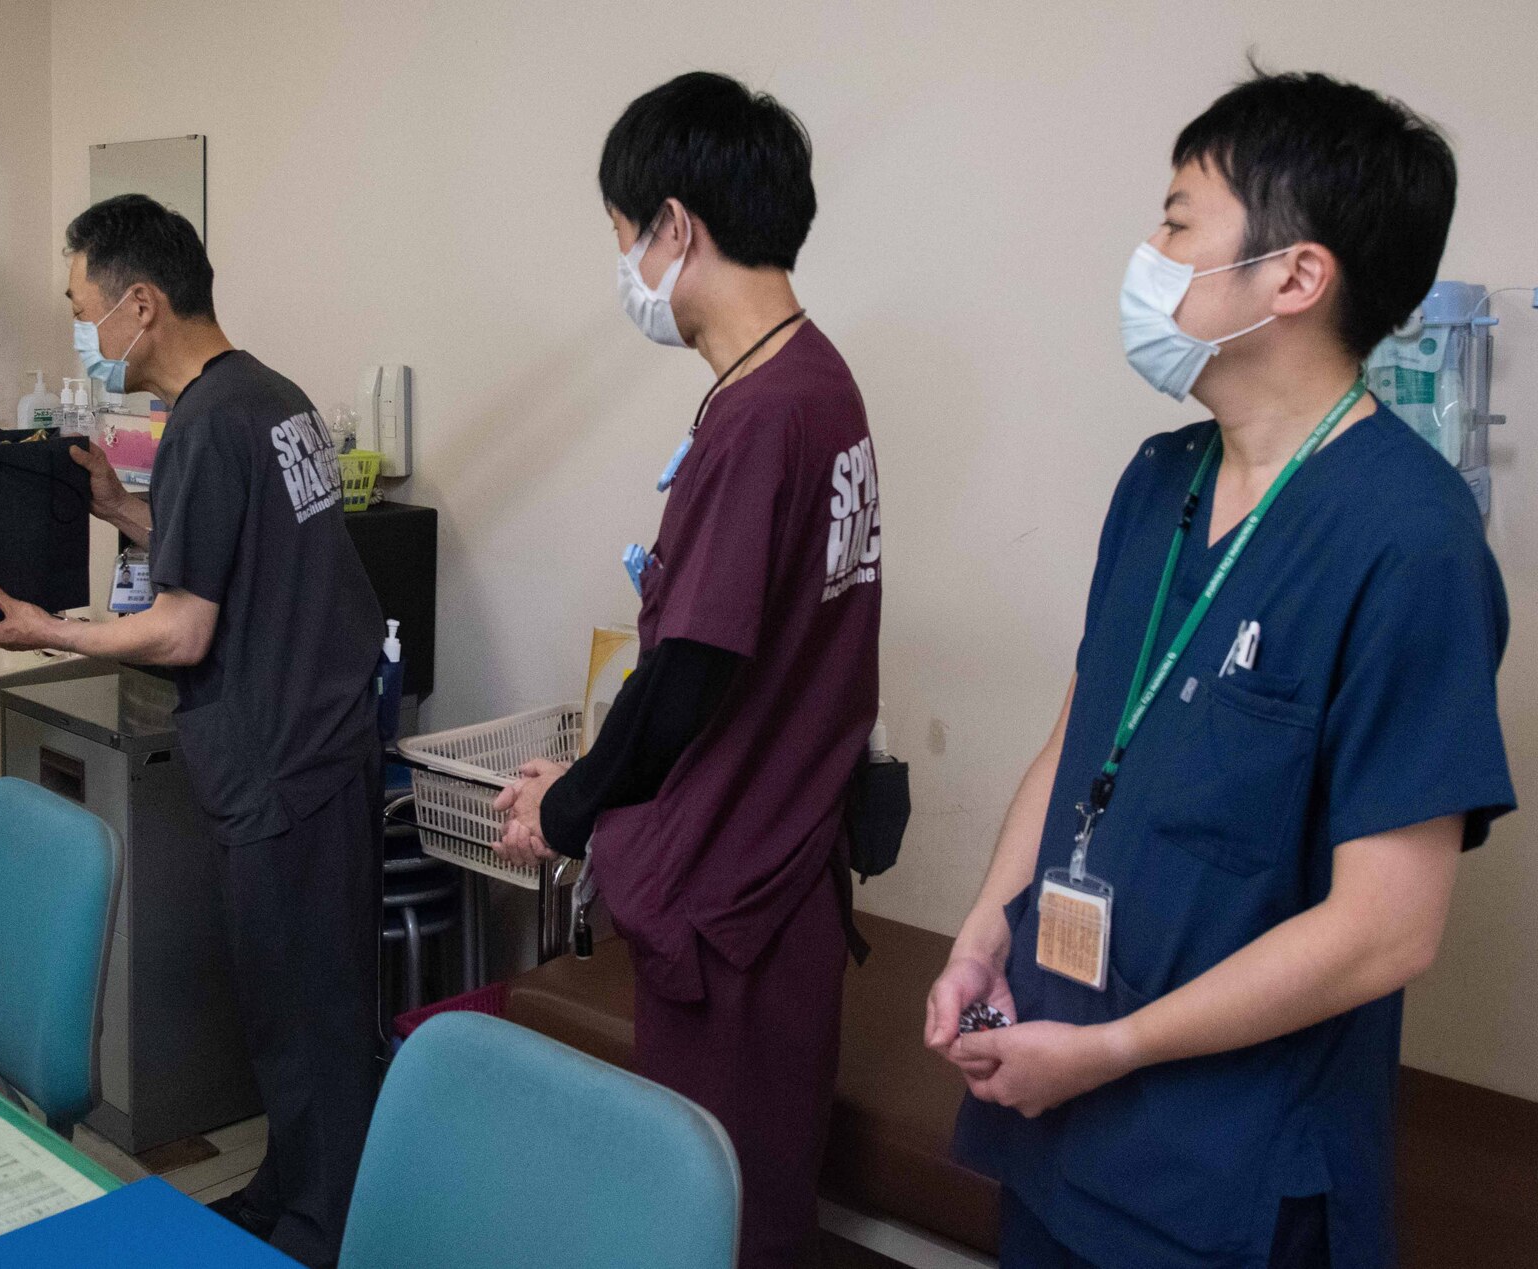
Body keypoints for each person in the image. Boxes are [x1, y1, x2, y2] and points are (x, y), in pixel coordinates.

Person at [926, 70, 1515, 1268]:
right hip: (1047, 1110)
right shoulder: (1159, 478)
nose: (1146, 252)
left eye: (1177, 219)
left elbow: (1384, 932)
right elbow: (1076, 740)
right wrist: (983, 933)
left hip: (1224, 1183)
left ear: (1295, 277)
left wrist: (1109, 1050)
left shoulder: (1408, 539)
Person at [493, 72, 882, 1269]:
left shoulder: (766, 415)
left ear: (675, 227)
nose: (626, 276)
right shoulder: (814, 382)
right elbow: (723, 669)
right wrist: (603, 774)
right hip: (775, 869)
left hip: (734, 905)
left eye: (623, 242)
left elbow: (691, 674)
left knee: (712, 1225)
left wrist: (567, 806)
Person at [0, 194, 384, 1269]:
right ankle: (290, 1190)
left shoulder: (207, 422)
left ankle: (319, 1233)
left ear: (140, 305)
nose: (81, 334)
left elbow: (182, 627)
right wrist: (116, 505)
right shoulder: (267, 397)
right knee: (313, 1009)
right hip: (326, 753)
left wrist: (48, 632)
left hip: (278, 770)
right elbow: (225, 548)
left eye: (81, 310)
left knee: (305, 1023)